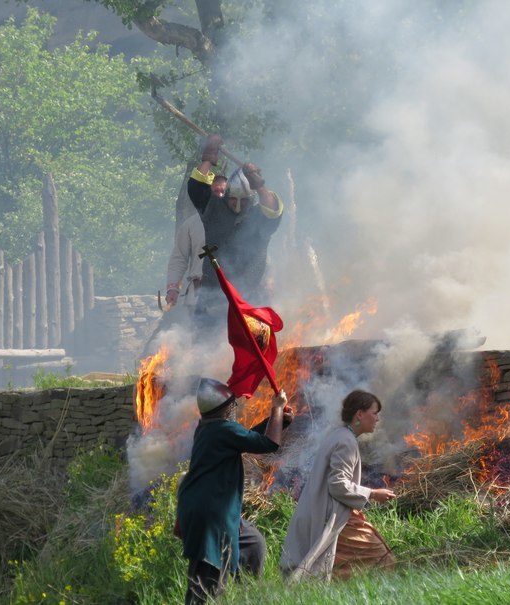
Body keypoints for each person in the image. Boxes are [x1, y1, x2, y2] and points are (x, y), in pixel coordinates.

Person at [176, 377, 288, 604]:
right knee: (206, 582)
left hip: (215, 510)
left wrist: (279, 421)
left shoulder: (211, 427)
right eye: (232, 405)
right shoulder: (221, 429)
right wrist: (277, 408)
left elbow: (249, 438)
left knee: (254, 542)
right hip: (210, 514)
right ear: (225, 408)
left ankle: (244, 596)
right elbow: (269, 444)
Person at [279, 389, 396, 582]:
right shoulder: (346, 442)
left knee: (327, 569)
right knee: (382, 558)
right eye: (374, 413)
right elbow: (337, 485)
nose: (377, 419)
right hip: (333, 515)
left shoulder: (340, 436)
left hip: (324, 513)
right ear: (360, 414)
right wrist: (374, 493)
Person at [187, 134, 284, 329]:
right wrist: (208, 158)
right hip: (212, 299)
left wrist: (259, 185)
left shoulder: (259, 217)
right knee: (202, 353)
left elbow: (274, 211)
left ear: (252, 198)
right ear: (227, 195)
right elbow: (197, 188)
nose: (238, 205)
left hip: (249, 300)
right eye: (233, 200)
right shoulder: (214, 208)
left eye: (244, 201)